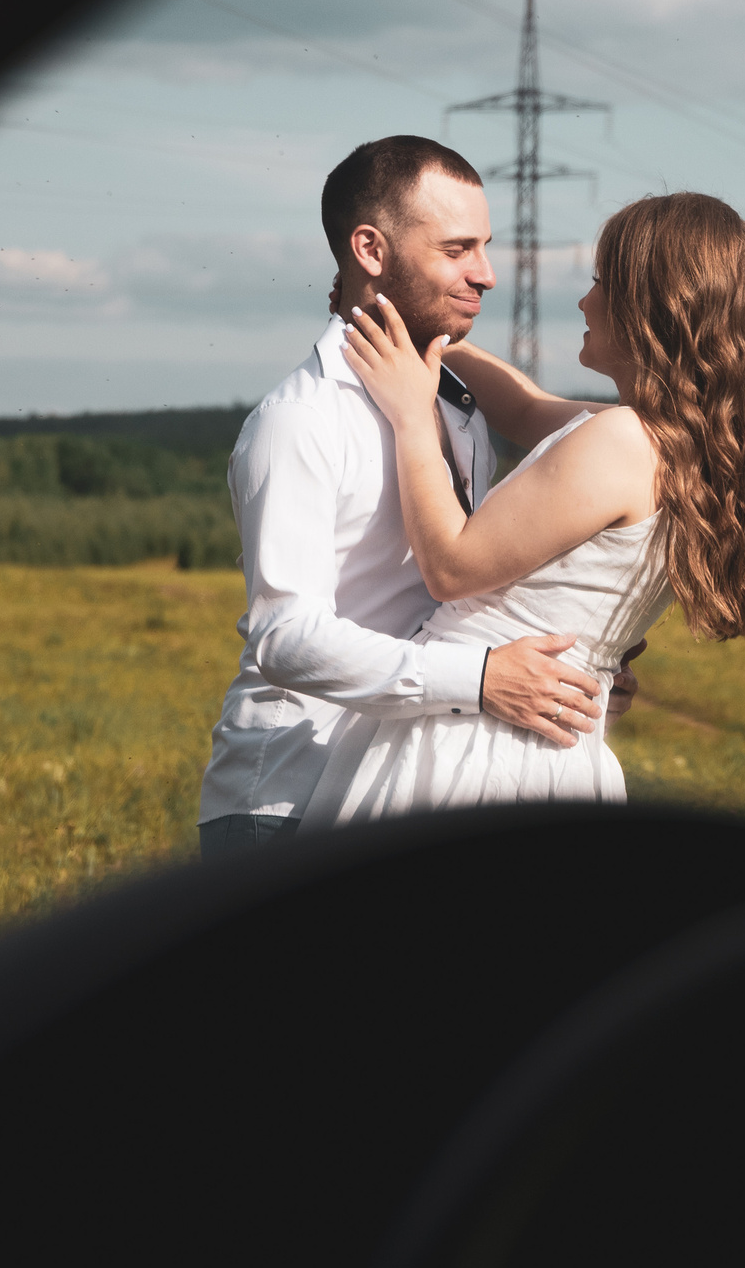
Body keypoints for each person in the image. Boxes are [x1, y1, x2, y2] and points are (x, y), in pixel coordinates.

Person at [301, 191, 745, 826]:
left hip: (477, 749)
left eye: (600, 281)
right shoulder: (677, 446)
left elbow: (452, 568)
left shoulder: (622, 443)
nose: (586, 300)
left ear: (653, 309)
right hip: (546, 747)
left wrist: (410, 415)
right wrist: (427, 329)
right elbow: (526, 409)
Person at [194, 135, 619, 859]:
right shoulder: (300, 418)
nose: (486, 274)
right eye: (457, 250)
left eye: (484, 247)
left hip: (411, 780)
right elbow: (285, 637)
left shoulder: (457, 407)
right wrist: (483, 679)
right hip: (290, 797)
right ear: (370, 249)